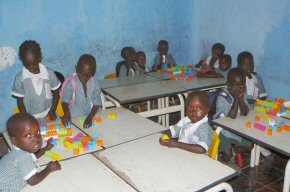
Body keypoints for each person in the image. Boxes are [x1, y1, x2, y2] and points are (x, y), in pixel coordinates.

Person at [0, 113, 61, 191]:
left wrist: (46, 148)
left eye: (38, 133)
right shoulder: (23, 157)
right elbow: (33, 181)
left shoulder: (18, 152)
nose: (36, 139)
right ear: (14, 141)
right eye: (28, 136)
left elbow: (32, 157)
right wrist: (48, 169)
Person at [12, 40, 61, 123]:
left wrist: (52, 110)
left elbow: (56, 93)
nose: (31, 68)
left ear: (39, 58)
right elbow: (20, 102)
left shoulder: (49, 74)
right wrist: (26, 117)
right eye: (27, 64)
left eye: (34, 64)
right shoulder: (20, 79)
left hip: (49, 115)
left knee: (59, 134)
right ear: (22, 62)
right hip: (31, 119)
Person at [213, 68, 253, 163]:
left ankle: (234, 151)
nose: (239, 89)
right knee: (227, 155)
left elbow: (245, 112)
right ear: (228, 85)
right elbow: (232, 115)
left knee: (250, 145)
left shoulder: (242, 93)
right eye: (235, 86)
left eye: (242, 86)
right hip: (223, 130)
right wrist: (236, 97)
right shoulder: (223, 96)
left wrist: (240, 98)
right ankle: (223, 163)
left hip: (237, 129)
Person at [237, 51, 271, 157]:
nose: (249, 66)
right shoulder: (238, 79)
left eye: (251, 64)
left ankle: (262, 145)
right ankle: (261, 148)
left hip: (256, 109)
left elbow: (263, 96)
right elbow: (240, 98)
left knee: (268, 121)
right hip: (241, 110)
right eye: (245, 64)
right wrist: (251, 101)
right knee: (255, 126)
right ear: (239, 66)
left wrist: (259, 102)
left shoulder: (257, 79)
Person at [61, 54, 102, 129]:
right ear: (76, 69)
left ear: (92, 74)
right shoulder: (71, 83)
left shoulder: (95, 83)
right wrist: (66, 113)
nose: (84, 78)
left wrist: (90, 118)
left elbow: (97, 103)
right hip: (76, 116)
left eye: (87, 75)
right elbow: (65, 100)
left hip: (93, 115)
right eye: (82, 74)